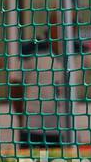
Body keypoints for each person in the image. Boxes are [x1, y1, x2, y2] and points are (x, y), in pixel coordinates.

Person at [13, 13, 75, 149]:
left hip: (64, 128)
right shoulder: (30, 49)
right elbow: (15, 83)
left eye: (73, 23)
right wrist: (21, 115)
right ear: (52, 24)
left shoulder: (75, 49)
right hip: (33, 126)